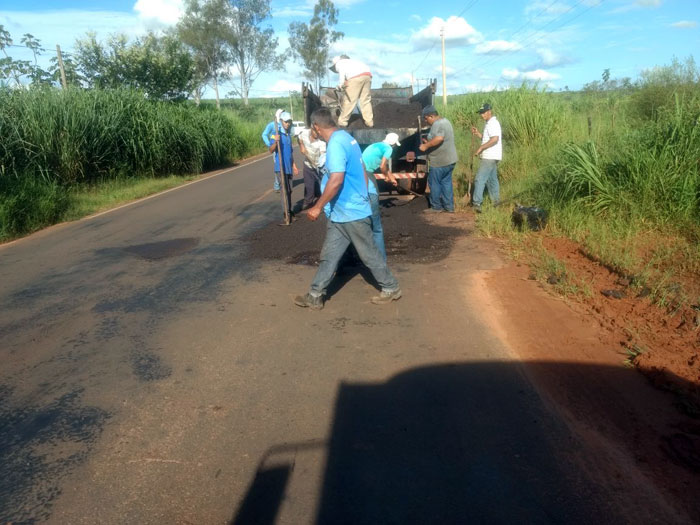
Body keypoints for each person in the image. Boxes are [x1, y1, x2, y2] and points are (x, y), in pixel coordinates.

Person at [294, 107, 401, 310]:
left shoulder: (335, 144)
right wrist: (363, 191)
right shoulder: (346, 138)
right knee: (330, 255)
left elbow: (336, 180)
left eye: (312, 129)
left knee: (368, 253)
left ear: (316, 127)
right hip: (341, 212)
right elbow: (361, 167)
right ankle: (315, 295)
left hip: (352, 211)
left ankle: (391, 287)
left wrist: (317, 207)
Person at [361, 133, 401, 261]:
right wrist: (386, 176)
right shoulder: (389, 149)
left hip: (361, 170)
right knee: (374, 195)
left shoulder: (376, 144)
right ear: (394, 144)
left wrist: (390, 177)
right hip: (367, 172)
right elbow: (383, 166)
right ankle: (380, 258)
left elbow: (385, 167)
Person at [418, 105, 458, 213]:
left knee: (434, 182)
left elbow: (439, 138)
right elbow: (439, 139)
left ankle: (436, 207)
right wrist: (429, 142)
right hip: (450, 160)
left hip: (440, 161)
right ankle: (449, 207)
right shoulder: (446, 121)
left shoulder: (437, 124)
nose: (426, 121)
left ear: (431, 116)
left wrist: (426, 146)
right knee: (446, 182)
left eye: (426, 119)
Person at [470, 103, 502, 212]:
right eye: (481, 113)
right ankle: (496, 202)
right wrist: (478, 133)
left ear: (489, 111)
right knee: (492, 179)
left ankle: (476, 203)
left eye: (483, 113)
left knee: (480, 178)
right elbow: (488, 138)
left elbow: (495, 139)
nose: (482, 115)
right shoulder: (489, 123)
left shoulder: (493, 123)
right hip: (493, 155)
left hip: (489, 156)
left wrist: (481, 148)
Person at [267, 111, 299, 218]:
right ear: (281, 121)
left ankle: (289, 209)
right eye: (286, 122)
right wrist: (275, 142)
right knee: (284, 191)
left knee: (289, 190)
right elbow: (270, 150)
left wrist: (294, 166)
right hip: (280, 168)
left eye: (289, 122)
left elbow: (290, 153)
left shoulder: (288, 135)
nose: (288, 124)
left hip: (289, 168)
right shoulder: (275, 135)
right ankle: (286, 213)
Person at [329, 55, 374, 128]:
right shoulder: (352, 62)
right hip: (367, 76)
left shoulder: (340, 64)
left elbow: (342, 77)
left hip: (355, 78)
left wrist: (340, 85)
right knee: (365, 100)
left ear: (335, 64)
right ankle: (369, 122)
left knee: (350, 100)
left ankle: (342, 122)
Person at [296, 125, 326, 210]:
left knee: (322, 186)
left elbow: (323, 155)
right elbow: (299, 138)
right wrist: (301, 145)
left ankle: (321, 200)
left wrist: (320, 166)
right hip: (307, 165)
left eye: (318, 132)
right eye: (315, 132)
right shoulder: (304, 133)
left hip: (318, 166)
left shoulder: (321, 142)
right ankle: (308, 202)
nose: (317, 134)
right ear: (312, 129)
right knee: (309, 185)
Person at [262, 109, 285, 192]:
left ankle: (281, 183)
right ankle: (277, 185)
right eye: (281, 114)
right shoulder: (272, 125)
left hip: (283, 147)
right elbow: (264, 134)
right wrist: (269, 144)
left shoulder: (284, 124)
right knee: (278, 165)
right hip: (276, 148)